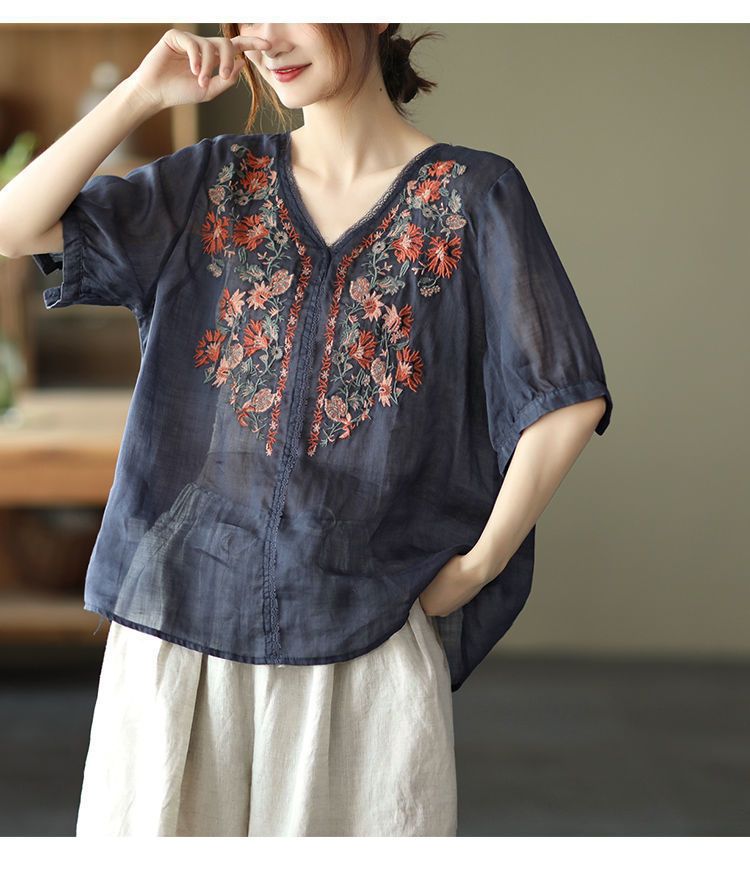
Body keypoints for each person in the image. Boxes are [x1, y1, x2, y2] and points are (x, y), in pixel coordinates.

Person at [0, 23, 613, 837]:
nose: (266, 35)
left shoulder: (475, 195)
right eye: (247, 14)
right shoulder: (212, 180)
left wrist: (479, 565)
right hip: (179, 631)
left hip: (364, 636)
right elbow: (15, 227)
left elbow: (563, 392)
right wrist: (139, 94)